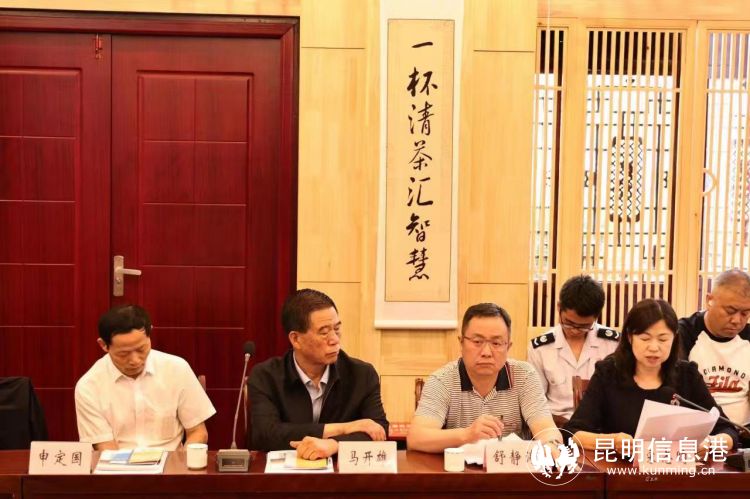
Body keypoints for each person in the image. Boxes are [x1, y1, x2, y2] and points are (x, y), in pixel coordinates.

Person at [565, 298, 738, 453]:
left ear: (674, 338)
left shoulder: (687, 375)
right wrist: (612, 442)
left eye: (663, 339)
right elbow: (572, 433)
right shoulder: (608, 373)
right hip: (620, 472)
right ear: (630, 337)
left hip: (677, 472)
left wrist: (712, 443)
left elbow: (728, 430)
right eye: (645, 338)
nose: (654, 347)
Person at [248, 289, 389, 460]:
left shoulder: (361, 374)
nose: (335, 339)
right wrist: (345, 428)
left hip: (340, 473)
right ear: (296, 339)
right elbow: (265, 435)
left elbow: (379, 431)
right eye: (324, 332)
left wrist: (334, 444)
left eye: (337, 329)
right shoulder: (266, 376)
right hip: (283, 473)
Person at [407, 303, 562, 453]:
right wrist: (467, 435)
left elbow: (547, 430)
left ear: (508, 347)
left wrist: (551, 445)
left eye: (496, 343)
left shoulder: (524, 376)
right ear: (461, 343)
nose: (486, 352)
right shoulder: (442, 380)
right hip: (457, 469)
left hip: (511, 467)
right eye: (477, 342)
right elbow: (416, 438)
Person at [75, 305, 216, 450]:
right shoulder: (89, 386)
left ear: (150, 334)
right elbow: (105, 447)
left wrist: (183, 461)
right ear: (103, 345)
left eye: (141, 349)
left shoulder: (177, 369)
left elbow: (198, 432)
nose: (135, 360)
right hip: (117, 462)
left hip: (171, 461)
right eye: (124, 354)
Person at [527, 275, 620, 422]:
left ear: (596, 316)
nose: (575, 331)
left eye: (584, 326)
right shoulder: (540, 348)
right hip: (557, 424)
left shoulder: (613, 344)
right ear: (559, 308)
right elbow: (535, 402)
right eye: (569, 323)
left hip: (602, 425)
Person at [677, 269, 750, 427]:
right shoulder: (684, 333)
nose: (737, 320)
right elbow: (679, 390)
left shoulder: (747, 338)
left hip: (745, 431)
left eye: (745, 314)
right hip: (699, 429)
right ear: (709, 300)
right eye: (730, 311)